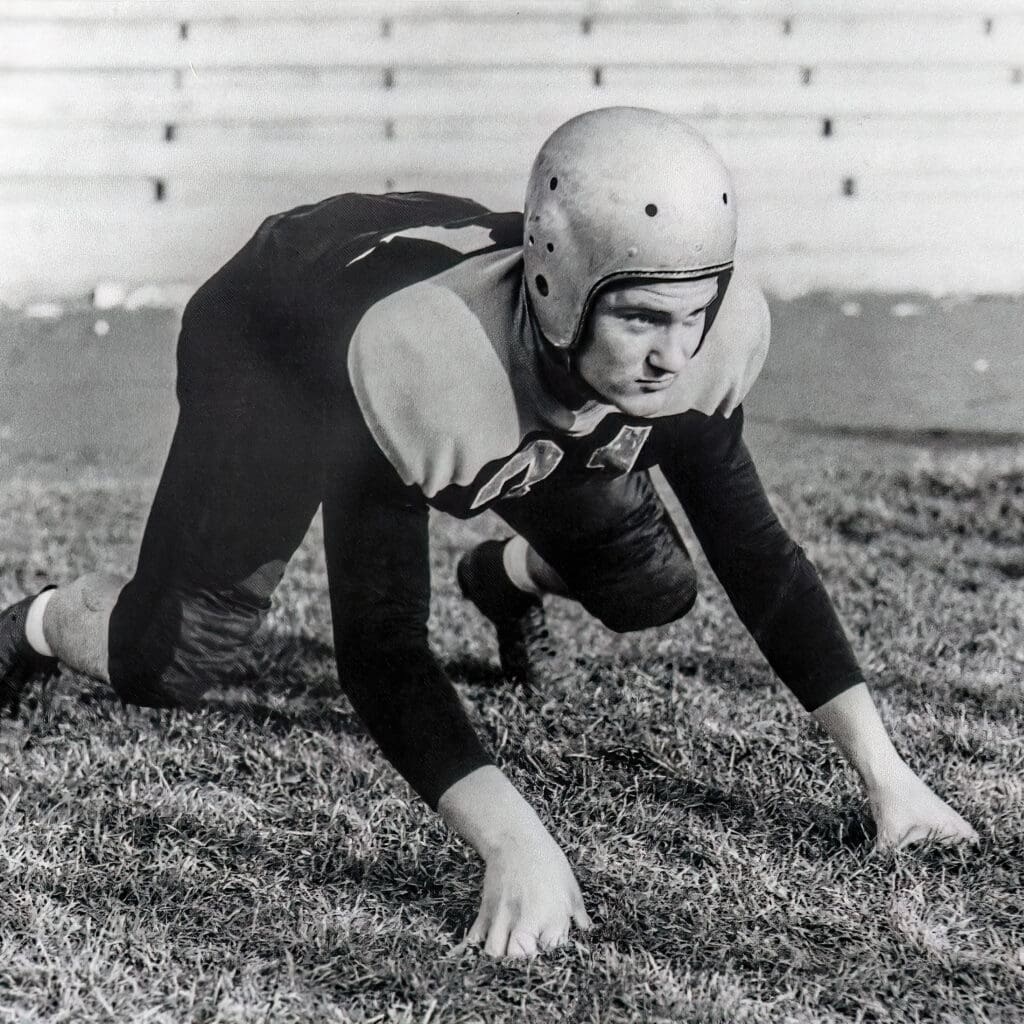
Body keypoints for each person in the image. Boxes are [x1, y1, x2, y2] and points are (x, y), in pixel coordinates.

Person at [0, 107, 977, 959]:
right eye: (641, 318)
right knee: (176, 655)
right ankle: (40, 619)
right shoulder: (416, 357)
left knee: (650, 585)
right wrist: (512, 837)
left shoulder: (656, 328)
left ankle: (503, 574)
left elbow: (758, 556)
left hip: (486, 339)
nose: (672, 353)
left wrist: (887, 777)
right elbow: (379, 647)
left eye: (694, 314)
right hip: (284, 335)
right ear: (558, 289)